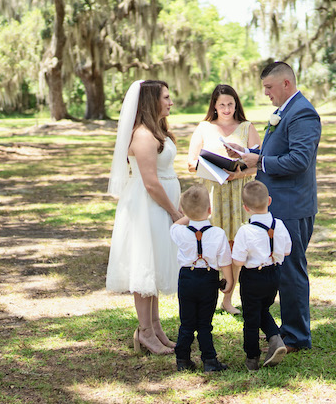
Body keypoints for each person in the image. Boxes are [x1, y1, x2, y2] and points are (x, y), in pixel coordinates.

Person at [229, 61, 321, 352]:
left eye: (269, 87)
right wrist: (250, 153)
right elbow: (277, 149)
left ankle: (296, 336)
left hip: (292, 204)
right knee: (282, 269)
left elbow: (299, 160)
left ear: (286, 84)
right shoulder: (283, 111)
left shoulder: (303, 113)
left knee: (291, 270)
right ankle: (288, 328)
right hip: (278, 202)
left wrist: (261, 162)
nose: (266, 93)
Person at [106, 79, 184, 355]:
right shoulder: (143, 135)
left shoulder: (157, 131)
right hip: (147, 206)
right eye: (166, 97)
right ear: (152, 101)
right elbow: (150, 182)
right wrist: (174, 211)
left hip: (160, 204)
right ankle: (145, 332)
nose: (170, 102)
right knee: (144, 268)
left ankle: (156, 328)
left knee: (155, 265)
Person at [187, 84, 261, 315]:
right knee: (210, 245)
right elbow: (191, 163)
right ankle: (207, 297)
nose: (227, 109)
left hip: (238, 192)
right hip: (212, 193)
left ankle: (228, 299)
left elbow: (258, 162)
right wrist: (214, 167)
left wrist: (237, 172)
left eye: (231, 104)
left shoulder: (247, 127)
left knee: (235, 247)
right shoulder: (204, 128)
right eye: (222, 105)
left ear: (236, 104)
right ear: (214, 106)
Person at [169, 184, 233, 372]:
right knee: (205, 323)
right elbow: (225, 261)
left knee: (187, 323)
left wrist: (188, 215)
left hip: (187, 279)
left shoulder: (179, 232)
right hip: (208, 279)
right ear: (210, 210)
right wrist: (228, 281)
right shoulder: (218, 233)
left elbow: (174, 226)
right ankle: (210, 361)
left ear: (183, 210)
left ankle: (182, 359)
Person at [231, 180, 291, 371]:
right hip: (274, 275)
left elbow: (238, 262)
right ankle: (275, 339)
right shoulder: (279, 225)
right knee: (263, 309)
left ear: (245, 208)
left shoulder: (245, 231)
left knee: (251, 318)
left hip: (252, 277)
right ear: (269, 200)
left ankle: (252, 358)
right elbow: (287, 251)